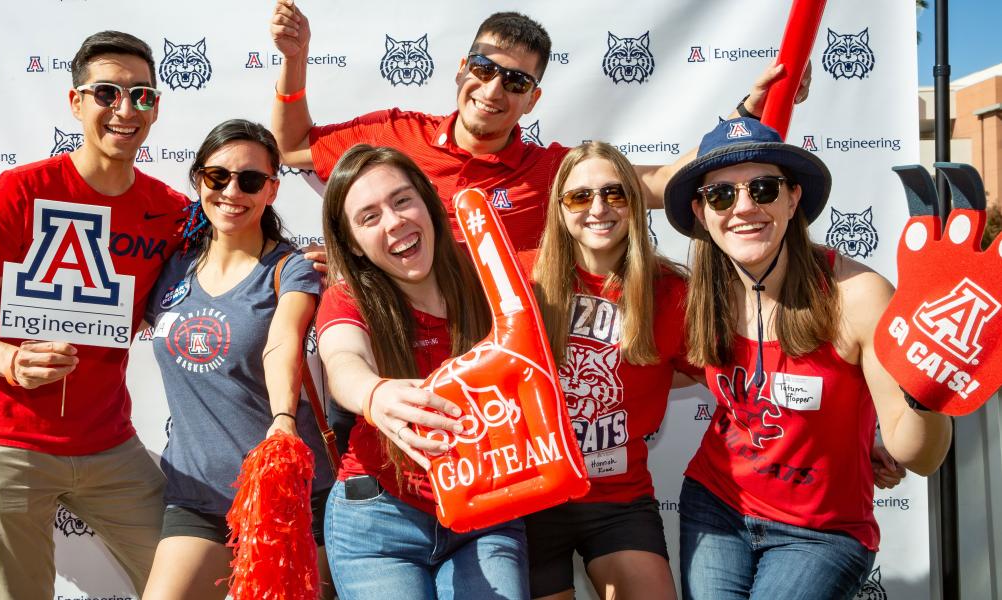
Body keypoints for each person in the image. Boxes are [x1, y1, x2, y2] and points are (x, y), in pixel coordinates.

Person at [0, 31, 186, 600]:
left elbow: (233, 262)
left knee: (187, 580)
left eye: (141, 95)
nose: (125, 110)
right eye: (107, 93)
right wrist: (11, 359)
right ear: (76, 102)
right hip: (8, 440)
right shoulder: (16, 195)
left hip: (108, 443)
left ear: (155, 107)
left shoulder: (170, 212)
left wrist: (302, 265)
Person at [662, 118, 953, 599]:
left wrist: (934, 377)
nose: (744, 208)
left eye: (763, 188)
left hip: (823, 532)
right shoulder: (701, 296)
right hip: (716, 504)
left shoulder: (857, 295)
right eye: (721, 196)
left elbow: (918, 456)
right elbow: (645, 373)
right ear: (701, 210)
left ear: (793, 197)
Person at [269, 2, 806, 249]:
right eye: (483, 69)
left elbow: (657, 185)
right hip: (401, 359)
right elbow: (290, 147)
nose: (494, 90)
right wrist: (296, 60)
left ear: (533, 99)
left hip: (503, 376)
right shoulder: (396, 135)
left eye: (516, 82)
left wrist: (747, 117)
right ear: (461, 71)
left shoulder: (552, 171)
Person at [315, 144, 527, 599]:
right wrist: (374, 394)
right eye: (369, 217)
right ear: (352, 242)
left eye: (401, 200)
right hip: (378, 520)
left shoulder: (487, 274)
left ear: (428, 202)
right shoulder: (348, 296)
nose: (393, 222)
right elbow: (342, 360)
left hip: (485, 507)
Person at [141, 119, 335, 599]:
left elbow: (283, 341)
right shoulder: (170, 266)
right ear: (198, 180)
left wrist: (284, 419)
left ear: (272, 189)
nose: (232, 191)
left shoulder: (291, 268)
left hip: (289, 496)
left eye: (250, 180)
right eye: (217, 177)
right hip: (199, 496)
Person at [524, 142, 694, 600]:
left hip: (619, 499)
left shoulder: (672, 293)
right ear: (560, 209)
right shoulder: (521, 280)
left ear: (635, 205)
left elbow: (743, 367)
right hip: (531, 498)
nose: (598, 208)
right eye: (580, 197)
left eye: (615, 194)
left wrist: (865, 434)